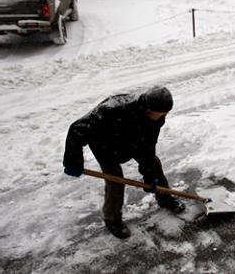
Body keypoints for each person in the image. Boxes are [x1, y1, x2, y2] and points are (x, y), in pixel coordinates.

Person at [63, 86, 185, 239]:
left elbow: (148, 146)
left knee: (154, 164)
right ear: (147, 107)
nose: (162, 117)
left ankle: (165, 198)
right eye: (159, 113)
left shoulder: (157, 118)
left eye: (164, 114)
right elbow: (77, 129)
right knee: (115, 180)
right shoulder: (113, 109)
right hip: (105, 146)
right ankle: (112, 220)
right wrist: (73, 161)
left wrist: (149, 176)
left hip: (134, 141)